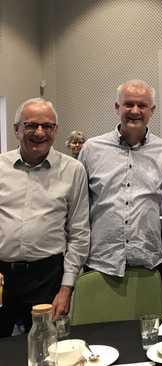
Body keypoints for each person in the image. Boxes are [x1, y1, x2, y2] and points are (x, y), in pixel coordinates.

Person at [0, 98, 90, 336]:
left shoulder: (72, 170)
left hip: (48, 277)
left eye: (47, 126)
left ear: (55, 131)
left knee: (48, 350)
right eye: (31, 126)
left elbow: (79, 233)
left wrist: (66, 288)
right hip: (2, 277)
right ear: (16, 130)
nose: (39, 132)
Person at [78, 79, 162, 277]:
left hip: (148, 262)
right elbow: (79, 209)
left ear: (152, 110)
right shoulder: (91, 149)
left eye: (142, 105)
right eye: (128, 104)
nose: (135, 110)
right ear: (117, 107)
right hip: (101, 261)